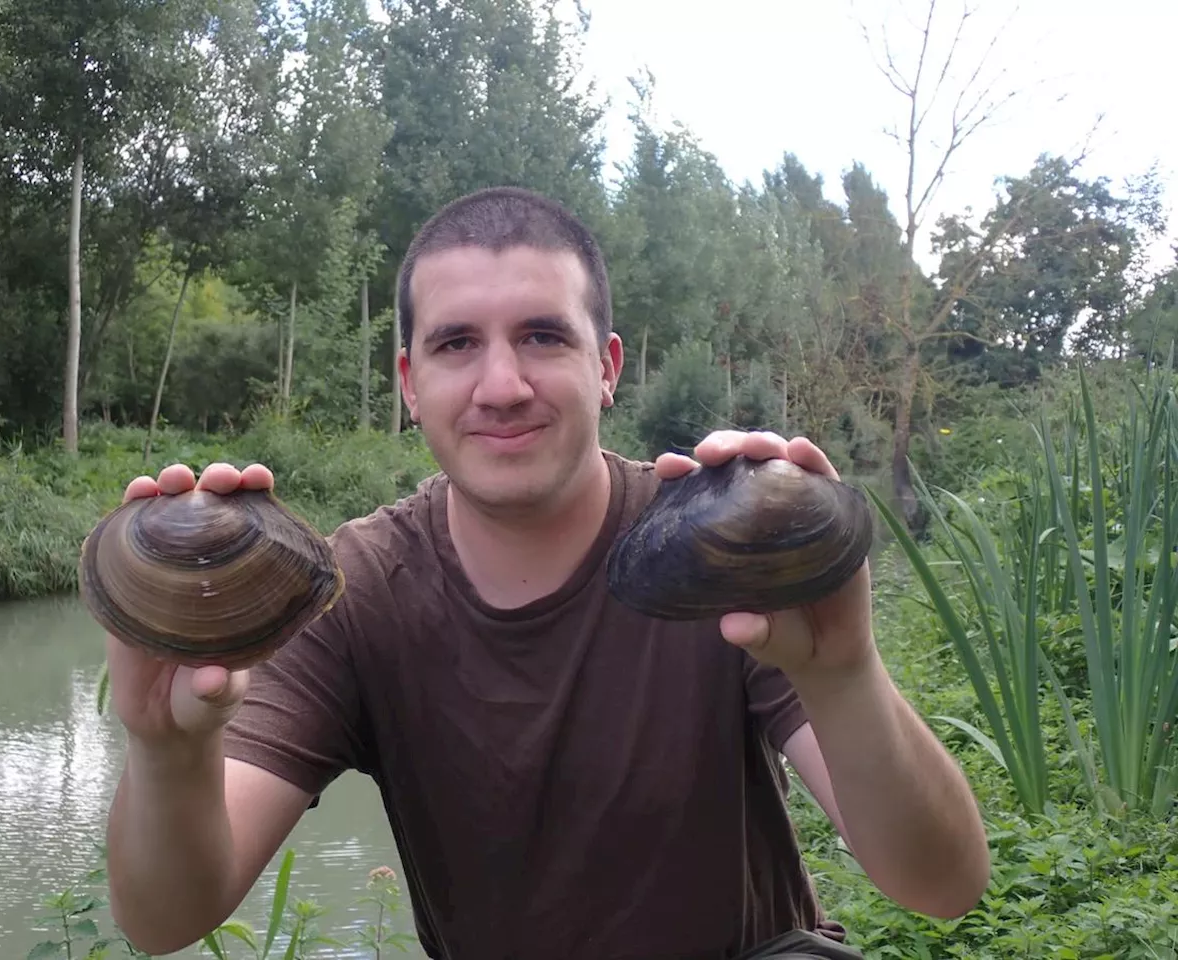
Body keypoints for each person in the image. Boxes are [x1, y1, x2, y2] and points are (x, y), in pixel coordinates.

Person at [102, 186, 990, 960]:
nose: (502, 384)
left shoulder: (711, 551)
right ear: (410, 384)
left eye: (540, 336)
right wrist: (166, 749)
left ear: (605, 366)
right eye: (456, 344)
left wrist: (842, 671)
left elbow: (943, 885)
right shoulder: (356, 589)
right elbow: (169, 919)